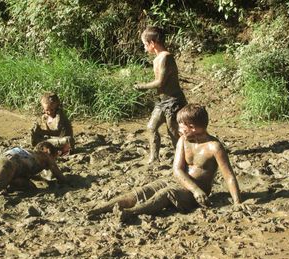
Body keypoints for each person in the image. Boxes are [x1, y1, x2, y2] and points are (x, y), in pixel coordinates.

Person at [87, 104, 241, 220]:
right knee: (145, 190)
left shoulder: (214, 147)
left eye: (181, 126)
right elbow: (177, 170)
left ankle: (131, 213)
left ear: (192, 127)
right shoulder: (183, 141)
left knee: (166, 194)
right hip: (181, 183)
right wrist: (193, 188)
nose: (178, 130)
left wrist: (237, 202)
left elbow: (229, 176)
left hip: (196, 192)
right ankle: (101, 209)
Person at [135, 26, 187, 164]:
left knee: (173, 132)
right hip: (162, 101)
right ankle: (154, 158)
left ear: (152, 43)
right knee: (151, 127)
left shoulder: (166, 57)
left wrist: (142, 86)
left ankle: (182, 159)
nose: (145, 48)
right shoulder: (158, 58)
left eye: (145, 44)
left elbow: (160, 82)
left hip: (173, 101)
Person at [0, 141, 67, 204]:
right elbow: (60, 178)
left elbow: (29, 174)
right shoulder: (46, 157)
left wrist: (44, 180)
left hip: (1, 164)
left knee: (30, 186)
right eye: (54, 158)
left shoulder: (30, 155)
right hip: (7, 166)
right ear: (47, 151)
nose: (54, 161)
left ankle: (7, 185)